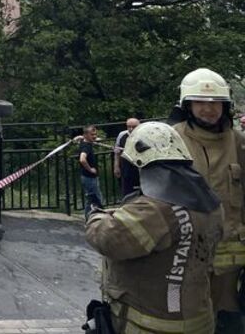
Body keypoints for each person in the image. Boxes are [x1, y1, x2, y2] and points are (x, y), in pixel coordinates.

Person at [84, 121, 223, 334]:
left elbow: (108, 239)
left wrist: (95, 215)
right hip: (200, 319)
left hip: (151, 323)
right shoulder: (210, 204)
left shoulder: (153, 210)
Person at [172, 68, 245, 333]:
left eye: (216, 102)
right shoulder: (172, 140)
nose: (208, 108)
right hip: (183, 256)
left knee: (229, 322)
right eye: (201, 102)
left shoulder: (238, 143)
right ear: (187, 105)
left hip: (230, 263)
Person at [77, 125, 103, 219]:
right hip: (89, 177)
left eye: (95, 134)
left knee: (90, 199)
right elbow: (82, 159)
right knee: (96, 199)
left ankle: (89, 219)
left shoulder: (84, 142)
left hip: (87, 177)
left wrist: (96, 139)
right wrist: (90, 169)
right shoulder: (86, 147)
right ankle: (95, 220)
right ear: (86, 135)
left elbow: (89, 139)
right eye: (92, 134)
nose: (94, 136)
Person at [112, 118, 141, 196]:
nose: (131, 129)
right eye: (129, 126)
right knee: (126, 190)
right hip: (126, 167)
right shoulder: (122, 135)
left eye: (134, 127)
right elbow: (117, 152)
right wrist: (116, 166)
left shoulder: (143, 135)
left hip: (140, 167)